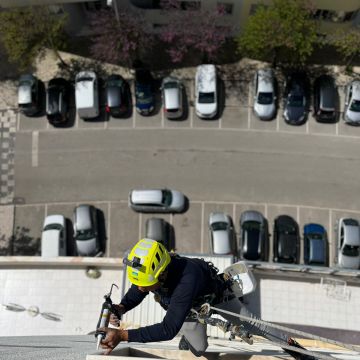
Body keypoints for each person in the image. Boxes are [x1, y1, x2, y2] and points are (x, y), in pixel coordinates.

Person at [97, 238, 316, 360]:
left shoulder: (186, 278)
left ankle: (299, 352)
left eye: (146, 284)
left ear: (162, 272)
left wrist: (122, 335)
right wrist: (122, 306)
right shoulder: (153, 274)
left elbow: (168, 329)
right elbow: (139, 289)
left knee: (257, 326)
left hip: (217, 297)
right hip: (186, 308)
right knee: (199, 349)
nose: (142, 288)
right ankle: (189, 337)